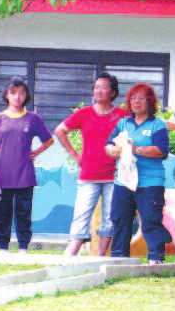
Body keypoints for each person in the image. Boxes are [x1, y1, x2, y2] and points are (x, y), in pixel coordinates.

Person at [55, 72, 129, 256]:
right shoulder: (84, 113)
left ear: (112, 92)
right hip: (89, 174)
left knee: (110, 218)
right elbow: (60, 131)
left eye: (104, 87)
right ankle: (70, 253)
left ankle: (99, 256)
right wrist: (75, 155)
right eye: (96, 87)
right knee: (81, 214)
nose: (99, 91)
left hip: (115, 175)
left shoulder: (122, 115)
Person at [105, 83, 170, 264]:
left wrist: (136, 149)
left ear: (149, 101)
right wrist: (113, 150)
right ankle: (118, 259)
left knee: (151, 222)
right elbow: (109, 145)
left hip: (150, 183)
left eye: (141, 98)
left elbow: (162, 151)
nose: (136, 101)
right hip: (123, 181)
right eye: (133, 98)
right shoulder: (123, 123)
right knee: (120, 220)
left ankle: (156, 260)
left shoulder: (158, 125)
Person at [0, 77, 54, 252]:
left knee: (23, 212)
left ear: (26, 96)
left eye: (21, 93)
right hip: (1, 175)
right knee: (2, 213)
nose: (17, 97)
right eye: (13, 93)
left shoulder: (33, 118)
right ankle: (3, 247)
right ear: (6, 95)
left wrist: (36, 152)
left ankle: (23, 247)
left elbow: (49, 140)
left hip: (25, 174)